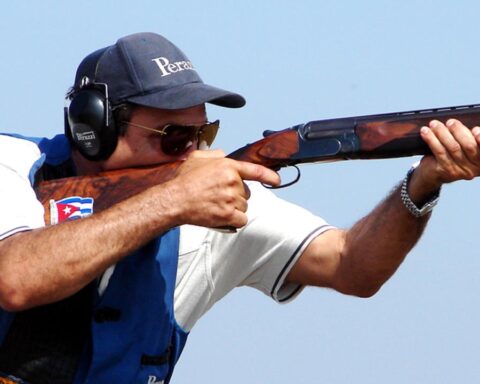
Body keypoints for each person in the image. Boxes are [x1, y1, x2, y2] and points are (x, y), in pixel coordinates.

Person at [0, 32, 479, 384]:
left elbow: (353, 266)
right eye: (174, 138)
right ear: (93, 127)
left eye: (202, 136)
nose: (193, 155)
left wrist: (424, 183)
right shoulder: (14, 165)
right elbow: (17, 279)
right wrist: (171, 202)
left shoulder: (219, 202)